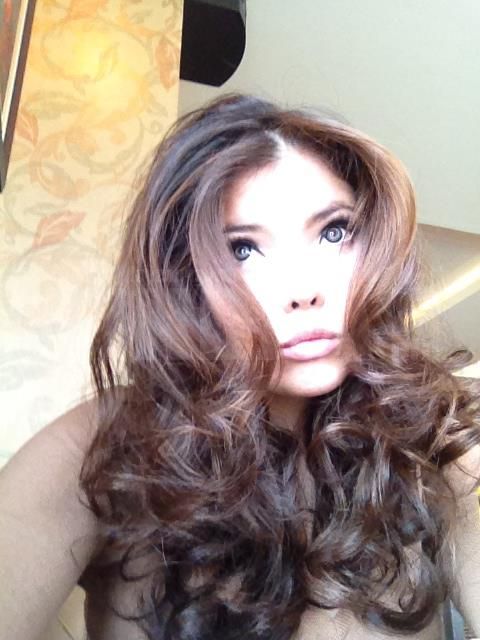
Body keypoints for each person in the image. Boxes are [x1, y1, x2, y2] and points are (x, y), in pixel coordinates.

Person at [1, 94, 479, 640]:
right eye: (242, 250)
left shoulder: (434, 438)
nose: (303, 289)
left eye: (334, 232)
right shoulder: (105, 447)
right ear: (186, 282)